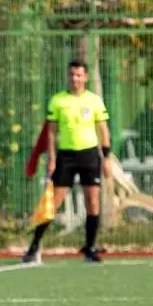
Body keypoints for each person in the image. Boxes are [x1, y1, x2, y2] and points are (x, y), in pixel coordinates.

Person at [23, 60, 111, 264]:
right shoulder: (58, 101)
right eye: (71, 75)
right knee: (53, 203)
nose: (75, 79)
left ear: (86, 77)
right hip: (66, 157)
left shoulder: (95, 101)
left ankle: (89, 248)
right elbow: (52, 132)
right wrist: (52, 158)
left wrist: (106, 157)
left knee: (93, 202)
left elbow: (103, 130)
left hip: (89, 156)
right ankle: (34, 246)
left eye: (79, 75)